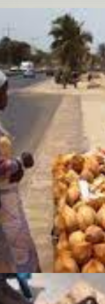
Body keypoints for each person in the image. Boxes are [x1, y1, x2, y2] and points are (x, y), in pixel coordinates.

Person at [0, 71, 39, 273]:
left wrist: (15, 172)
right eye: (3, 92)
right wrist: (18, 163)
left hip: (9, 200)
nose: (7, 97)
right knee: (15, 254)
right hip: (4, 207)